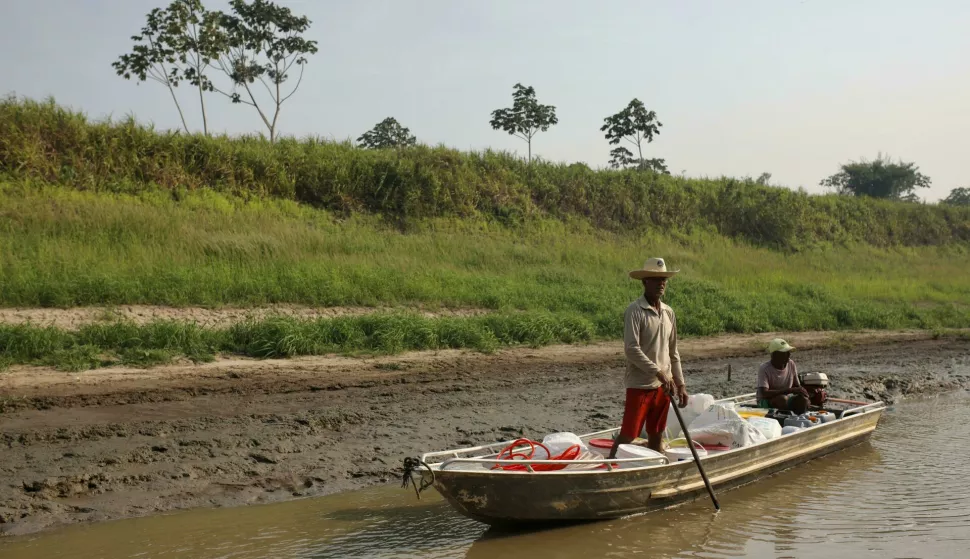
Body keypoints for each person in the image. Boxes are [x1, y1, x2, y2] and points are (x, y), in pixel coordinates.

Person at [609, 257, 689, 458]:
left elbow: (673, 352)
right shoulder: (635, 311)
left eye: (664, 280)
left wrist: (681, 384)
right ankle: (610, 464)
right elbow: (632, 349)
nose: (661, 284)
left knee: (656, 433)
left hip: (665, 386)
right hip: (641, 385)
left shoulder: (668, 313)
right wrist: (657, 372)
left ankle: (653, 466)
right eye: (655, 279)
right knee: (629, 434)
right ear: (645, 282)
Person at [756, 338, 809, 414]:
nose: (788, 355)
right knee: (782, 399)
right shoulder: (764, 368)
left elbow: (796, 386)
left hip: (785, 399)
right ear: (774, 355)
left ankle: (798, 420)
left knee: (803, 400)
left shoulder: (791, 364)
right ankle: (783, 419)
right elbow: (764, 393)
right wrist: (789, 390)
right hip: (766, 401)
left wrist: (804, 395)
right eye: (785, 353)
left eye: (788, 352)